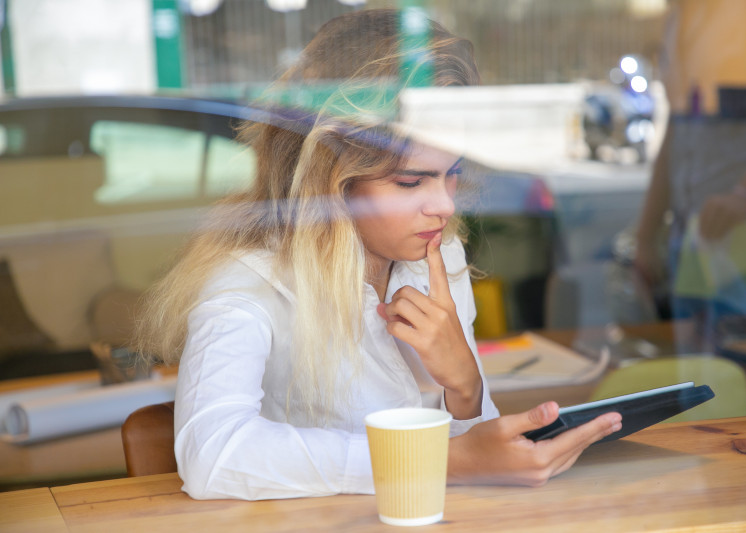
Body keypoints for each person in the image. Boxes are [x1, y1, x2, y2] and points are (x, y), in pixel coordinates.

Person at [135, 8, 621, 501]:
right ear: (332, 177)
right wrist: (438, 460)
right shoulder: (250, 283)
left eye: (452, 171)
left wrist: (467, 390)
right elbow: (213, 457)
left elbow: (472, 463)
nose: (444, 204)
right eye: (411, 181)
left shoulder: (438, 254)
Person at [635, 0, 746, 352]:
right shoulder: (680, 17)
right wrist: (646, 235)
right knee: (706, 387)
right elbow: (678, 130)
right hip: (696, 242)